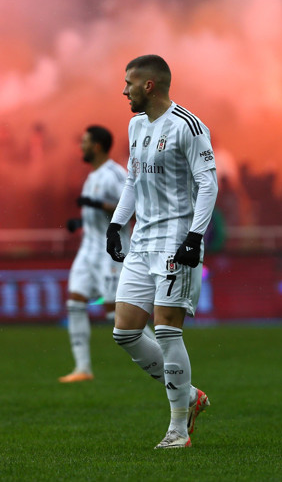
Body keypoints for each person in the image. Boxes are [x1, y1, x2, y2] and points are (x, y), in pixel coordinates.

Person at [106, 54, 218, 449]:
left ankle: (178, 431)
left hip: (175, 242)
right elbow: (133, 181)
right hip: (142, 243)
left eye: (129, 84)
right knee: (125, 332)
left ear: (149, 85)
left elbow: (208, 185)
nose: (125, 91)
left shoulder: (189, 126)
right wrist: (117, 224)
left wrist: (195, 236)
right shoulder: (136, 125)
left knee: (168, 330)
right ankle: (189, 396)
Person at [59, 125, 132, 383]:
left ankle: (161, 356)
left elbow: (131, 208)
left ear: (98, 146)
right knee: (75, 302)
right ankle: (83, 368)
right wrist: (79, 223)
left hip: (111, 252)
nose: (82, 146)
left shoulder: (114, 174)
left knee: (118, 316)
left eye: (86, 142)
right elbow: (97, 216)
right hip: (88, 249)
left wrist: (97, 204)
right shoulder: (91, 176)